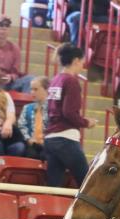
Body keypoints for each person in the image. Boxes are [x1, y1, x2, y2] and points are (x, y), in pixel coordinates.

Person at [45, 43, 97, 187]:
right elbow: (68, 112)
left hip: (50, 138)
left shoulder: (55, 79)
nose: (83, 66)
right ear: (75, 61)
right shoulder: (71, 81)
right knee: (87, 184)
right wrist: (86, 122)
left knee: (54, 186)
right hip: (65, 138)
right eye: (82, 62)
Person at [18, 75, 49, 160]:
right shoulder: (27, 108)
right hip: (32, 143)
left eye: (36, 89)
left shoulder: (53, 109)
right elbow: (21, 126)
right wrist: (28, 139)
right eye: (31, 89)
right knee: (31, 155)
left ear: (46, 90)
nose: (32, 92)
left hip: (47, 143)